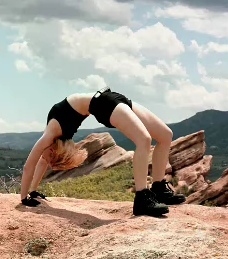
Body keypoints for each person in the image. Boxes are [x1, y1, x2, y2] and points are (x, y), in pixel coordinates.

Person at [19, 88, 185, 217]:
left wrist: (24, 197)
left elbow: (29, 166)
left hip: (111, 98)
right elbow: (41, 163)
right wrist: (32, 192)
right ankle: (142, 198)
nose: (44, 159)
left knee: (165, 135)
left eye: (49, 160)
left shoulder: (48, 138)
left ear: (53, 152)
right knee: (144, 139)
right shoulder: (54, 141)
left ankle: (158, 189)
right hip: (103, 104)